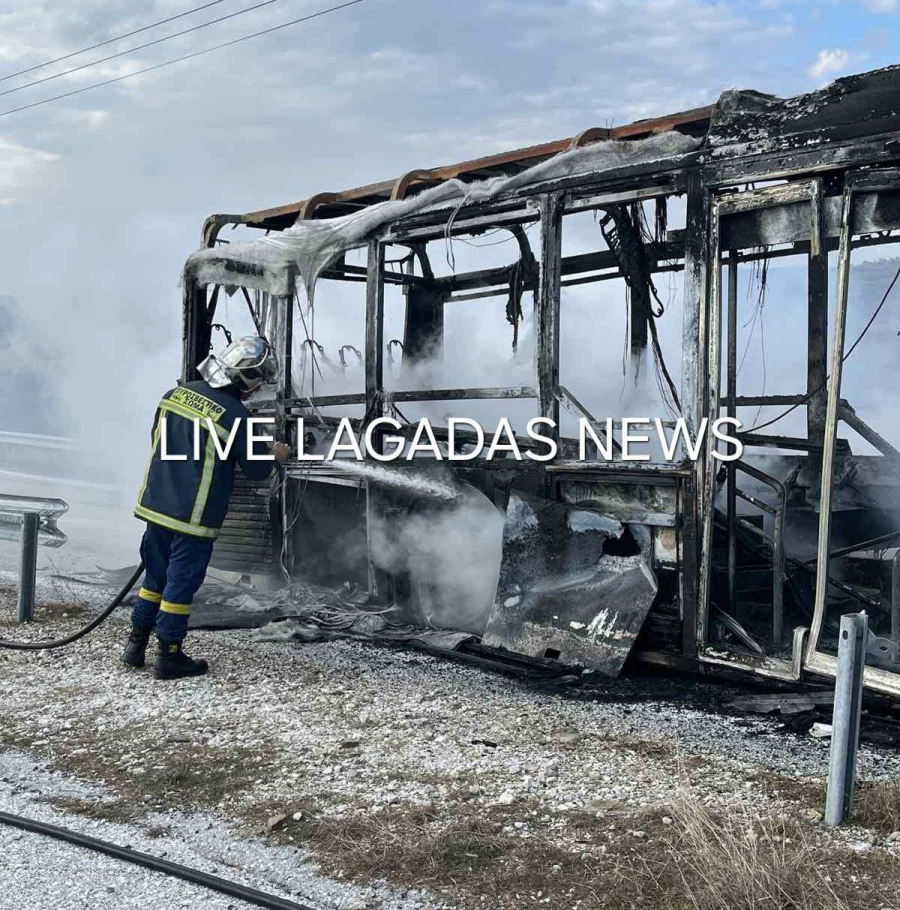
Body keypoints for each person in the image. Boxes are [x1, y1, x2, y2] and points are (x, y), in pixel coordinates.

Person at [123, 336, 290, 679]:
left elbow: (160, 437)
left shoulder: (175, 394)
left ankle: (135, 645)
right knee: (181, 582)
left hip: (156, 504)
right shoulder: (235, 415)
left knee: (155, 576)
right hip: (192, 516)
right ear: (246, 378)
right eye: (257, 381)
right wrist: (275, 455)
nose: (257, 390)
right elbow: (258, 470)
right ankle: (169, 654)